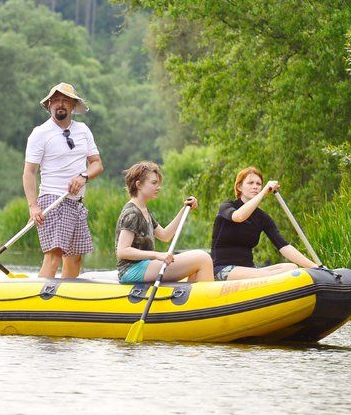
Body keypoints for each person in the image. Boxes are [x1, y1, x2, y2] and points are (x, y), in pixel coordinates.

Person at [23, 82, 104, 278]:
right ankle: (36, 302)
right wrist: (33, 207)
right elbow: (29, 173)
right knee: (54, 255)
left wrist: (83, 176)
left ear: (73, 106)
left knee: (75, 258)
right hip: (52, 200)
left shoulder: (83, 130)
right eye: (56, 100)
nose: (60, 104)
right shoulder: (40, 133)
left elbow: (97, 164)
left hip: (76, 203)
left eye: (65, 101)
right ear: (49, 105)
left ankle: (63, 303)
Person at [210, 166, 317, 281]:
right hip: (222, 268)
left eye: (259, 184)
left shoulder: (262, 218)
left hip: (250, 269)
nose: (255, 186)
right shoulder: (227, 207)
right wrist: (264, 192)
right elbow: (239, 216)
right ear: (239, 186)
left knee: (291, 267)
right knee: (266, 276)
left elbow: (283, 246)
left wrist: (314, 266)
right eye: (251, 183)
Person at [115, 161, 214, 284]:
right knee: (202, 258)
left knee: (198, 263)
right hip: (131, 270)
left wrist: (184, 210)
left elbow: (165, 235)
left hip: (144, 266)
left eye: (158, 183)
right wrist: (157, 255)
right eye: (154, 183)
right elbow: (122, 251)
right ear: (139, 185)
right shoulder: (132, 213)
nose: (158, 187)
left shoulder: (144, 210)